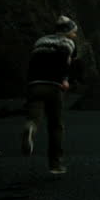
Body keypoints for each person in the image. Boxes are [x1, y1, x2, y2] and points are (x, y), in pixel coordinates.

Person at [20, 15, 79, 174]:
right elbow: (64, 60)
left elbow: (32, 63)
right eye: (74, 32)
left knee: (34, 116)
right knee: (55, 126)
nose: (75, 35)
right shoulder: (67, 43)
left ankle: (30, 127)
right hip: (54, 86)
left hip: (35, 84)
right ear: (67, 31)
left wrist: (30, 83)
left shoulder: (40, 41)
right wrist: (65, 79)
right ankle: (55, 165)